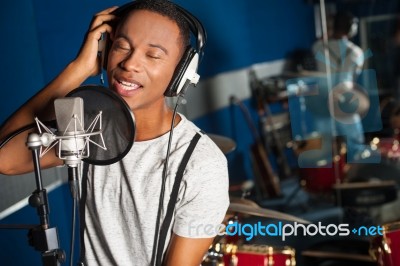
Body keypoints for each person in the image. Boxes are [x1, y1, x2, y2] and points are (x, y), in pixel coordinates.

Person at [0, 1, 229, 265]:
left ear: (181, 73)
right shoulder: (89, 126)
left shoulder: (201, 164)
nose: (130, 63)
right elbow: (5, 158)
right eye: (121, 46)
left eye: (152, 55)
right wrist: (80, 67)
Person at [308, 10, 370, 163]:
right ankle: (354, 174)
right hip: (344, 100)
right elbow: (355, 77)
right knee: (355, 144)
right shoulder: (356, 52)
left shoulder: (317, 47)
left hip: (322, 99)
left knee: (326, 146)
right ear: (351, 28)